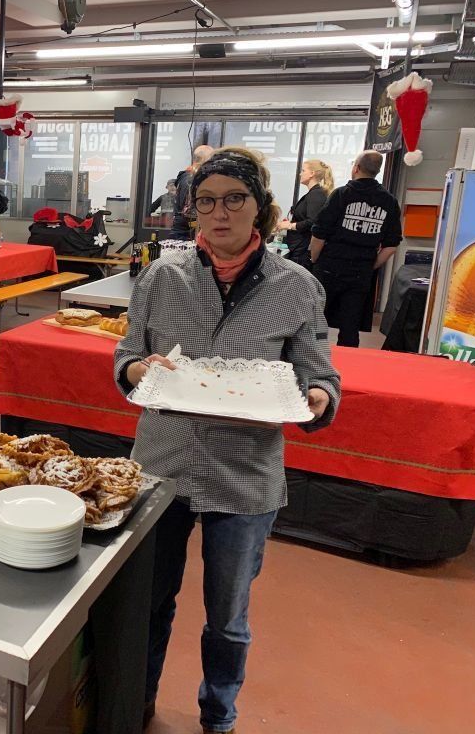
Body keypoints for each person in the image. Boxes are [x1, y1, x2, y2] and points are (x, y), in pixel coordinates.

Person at [115, 147, 340, 734]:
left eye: (234, 199)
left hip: (244, 475)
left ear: (259, 206)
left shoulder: (297, 287)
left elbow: (320, 374)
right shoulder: (162, 277)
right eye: (206, 201)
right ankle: (136, 703)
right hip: (161, 464)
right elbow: (127, 357)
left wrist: (317, 399)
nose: (219, 213)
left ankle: (218, 717)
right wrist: (140, 370)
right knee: (149, 601)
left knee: (228, 619)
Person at [310, 150, 403, 347]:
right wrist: (370, 265)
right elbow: (391, 246)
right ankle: (348, 362)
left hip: (329, 267)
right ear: (377, 171)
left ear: (356, 168)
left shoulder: (341, 194)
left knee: (315, 320)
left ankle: (312, 356)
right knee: (350, 326)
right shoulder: (389, 202)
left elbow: (319, 234)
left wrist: (315, 260)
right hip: (361, 272)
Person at [275, 159, 334, 269]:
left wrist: (290, 225)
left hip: (303, 251)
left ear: (312, 173)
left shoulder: (316, 195)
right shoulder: (314, 194)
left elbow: (312, 222)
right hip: (300, 249)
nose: (300, 174)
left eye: (303, 170)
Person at [172, 144, 216, 241]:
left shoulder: (190, 177)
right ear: (205, 160)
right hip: (186, 234)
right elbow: (189, 211)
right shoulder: (190, 179)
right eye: (212, 160)